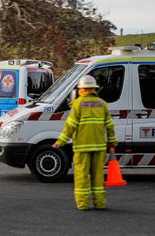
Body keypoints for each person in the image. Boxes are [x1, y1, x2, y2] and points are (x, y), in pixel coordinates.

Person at [52, 75, 118, 210]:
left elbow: (70, 126)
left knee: (82, 176)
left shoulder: (77, 104)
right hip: (99, 147)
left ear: (81, 90)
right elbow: (110, 126)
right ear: (94, 89)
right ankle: (100, 203)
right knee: (98, 177)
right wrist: (112, 142)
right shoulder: (102, 104)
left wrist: (61, 141)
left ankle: (83, 204)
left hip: (82, 147)